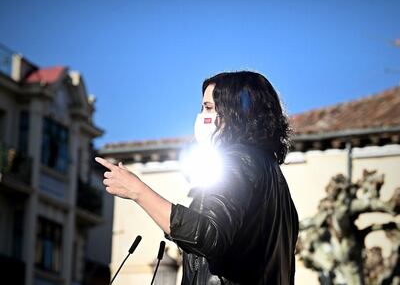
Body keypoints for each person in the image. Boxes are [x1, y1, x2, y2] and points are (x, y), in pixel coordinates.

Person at [95, 71, 299, 284]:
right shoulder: (273, 178)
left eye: (209, 108)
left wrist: (138, 191)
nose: (202, 115)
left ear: (235, 113)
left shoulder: (237, 161)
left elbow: (208, 234)